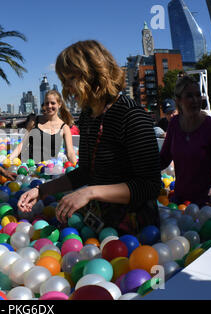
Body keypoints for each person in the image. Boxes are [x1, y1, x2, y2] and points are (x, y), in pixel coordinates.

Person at [18, 40, 161, 234]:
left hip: (133, 227)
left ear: (94, 73)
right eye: (64, 80)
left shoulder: (131, 115)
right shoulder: (87, 115)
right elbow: (86, 172)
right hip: (99, 217)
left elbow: (149, 186)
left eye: (71, 78)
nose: (66, 87)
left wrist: (90, 192)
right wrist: (42, 191)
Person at [160, 76, 211, 207]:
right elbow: (163, 159)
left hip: (206, 206)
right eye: (189, 96)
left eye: (198, 95)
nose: (195, 100)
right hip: (179, 202)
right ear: (178, 101)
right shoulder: (174, 124)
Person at [10, 90, 77, 164]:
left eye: (53, 103)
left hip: (47, 169)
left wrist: (76, 168)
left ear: (59, 104)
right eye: (47, 103)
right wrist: (9, 160)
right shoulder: (34, 121)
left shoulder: (64, 128)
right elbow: (23, 144)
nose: (49, 106)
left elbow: (70, 153)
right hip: (27, 165)